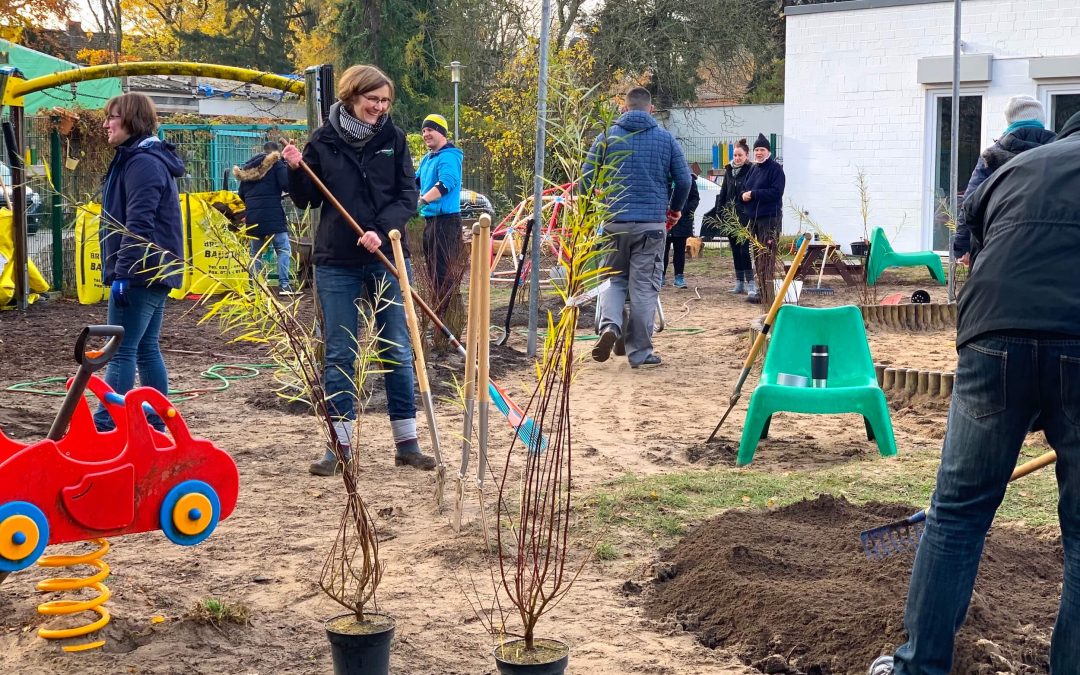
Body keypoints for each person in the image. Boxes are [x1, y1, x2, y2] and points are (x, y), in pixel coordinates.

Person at [868, 111, 1080, 675]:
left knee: (957, 515)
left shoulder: (1020, 167)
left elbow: (980, 247)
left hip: (991, 338)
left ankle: (918, 666)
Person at [281, 64, 437, 475]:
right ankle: (340, 448)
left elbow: (408, 193)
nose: (380, 108)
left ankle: (407, 443)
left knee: (398, 349)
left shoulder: (394, 139)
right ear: (352, 96)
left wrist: (383, 230)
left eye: (386, 101)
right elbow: (306, 200)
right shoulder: (323, 140)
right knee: (339, 354)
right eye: (373, 100)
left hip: (387, 255)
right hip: (337, 261)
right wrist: (296, 170)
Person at [93, 93, 185, 433]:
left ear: (131, 120)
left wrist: (124, 272)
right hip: (153, 268)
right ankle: (156, 423)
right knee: (145, 347)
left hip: (142, 271)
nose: (106, 123)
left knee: (121, 350)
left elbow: (139, 224)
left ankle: (107, 425)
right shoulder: (138, 157)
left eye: (112, 117)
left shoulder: (143, 162)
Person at [585, 86, 691, 369]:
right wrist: (674, 209)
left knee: (613, 280)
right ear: (651, 109)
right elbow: (684, 181)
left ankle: (611, 326)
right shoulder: (666, 139)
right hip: (651, 226)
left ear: (624, 108)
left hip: (612, 223)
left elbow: (586, 179)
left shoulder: (606, 137)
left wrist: (594, 204)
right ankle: (640, 353)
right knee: (644, 287)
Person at [952, 95, 1056, 265]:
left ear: (1010, 121)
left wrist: (963, 247)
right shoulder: (1061, 152)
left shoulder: (991, 156)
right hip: (1052, 248)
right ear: (1041, 120)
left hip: (1000, 246)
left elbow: (971, 202)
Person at [416, 113, 465, 321]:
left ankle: (449, 319)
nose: (426, 134)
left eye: (431, 129)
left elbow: (447, 183)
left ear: (442, 133)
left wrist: (422, 201)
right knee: (433, 273)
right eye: (424, 130)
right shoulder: (428, 159)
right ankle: (440, 318)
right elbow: (415, 182)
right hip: (430, 222)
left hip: (446, 223)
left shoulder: (449, 157)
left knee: (444, 274)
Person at [234, 141, 295, 295]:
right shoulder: (277, 164)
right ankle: (285, 286)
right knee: (283, 249)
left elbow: (241, 194)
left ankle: (255, 287)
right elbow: (286, 184)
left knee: (255, 253)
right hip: (273, 215)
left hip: (253, 217)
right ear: (276, 152)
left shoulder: (248, 168)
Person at [741, 133, 785, 304]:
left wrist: (753, 194)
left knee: (767, 255)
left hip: (770, 218)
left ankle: (768, 293)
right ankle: (762, 291)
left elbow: (776, 192)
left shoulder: (776, 169)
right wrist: (743, 195)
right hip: (755, 218)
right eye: (757, 149)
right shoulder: (753, 169)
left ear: (768, 151)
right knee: (757, 255)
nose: (759, 153)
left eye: (762, 149)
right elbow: (745, 188)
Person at [715, 139, 753, 294]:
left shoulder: (751, 170)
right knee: (735, 250)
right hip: (730, 216)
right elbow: (723, 192)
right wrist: (720, 212)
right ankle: (739, 282)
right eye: (735, 155)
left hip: (744, 216)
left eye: (740, 155)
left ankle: (751, 283)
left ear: (746, 155)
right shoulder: (729, 171)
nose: (737, 158)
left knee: (744, 250)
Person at [663, 167, 699, 289]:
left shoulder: (688, 178)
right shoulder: (662, 176)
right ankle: (660, 276)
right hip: (664, 219)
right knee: (663, 250)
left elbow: (695, 198)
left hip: (682, 220)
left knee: (679, 250)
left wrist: (686, 210)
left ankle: (679, 276)